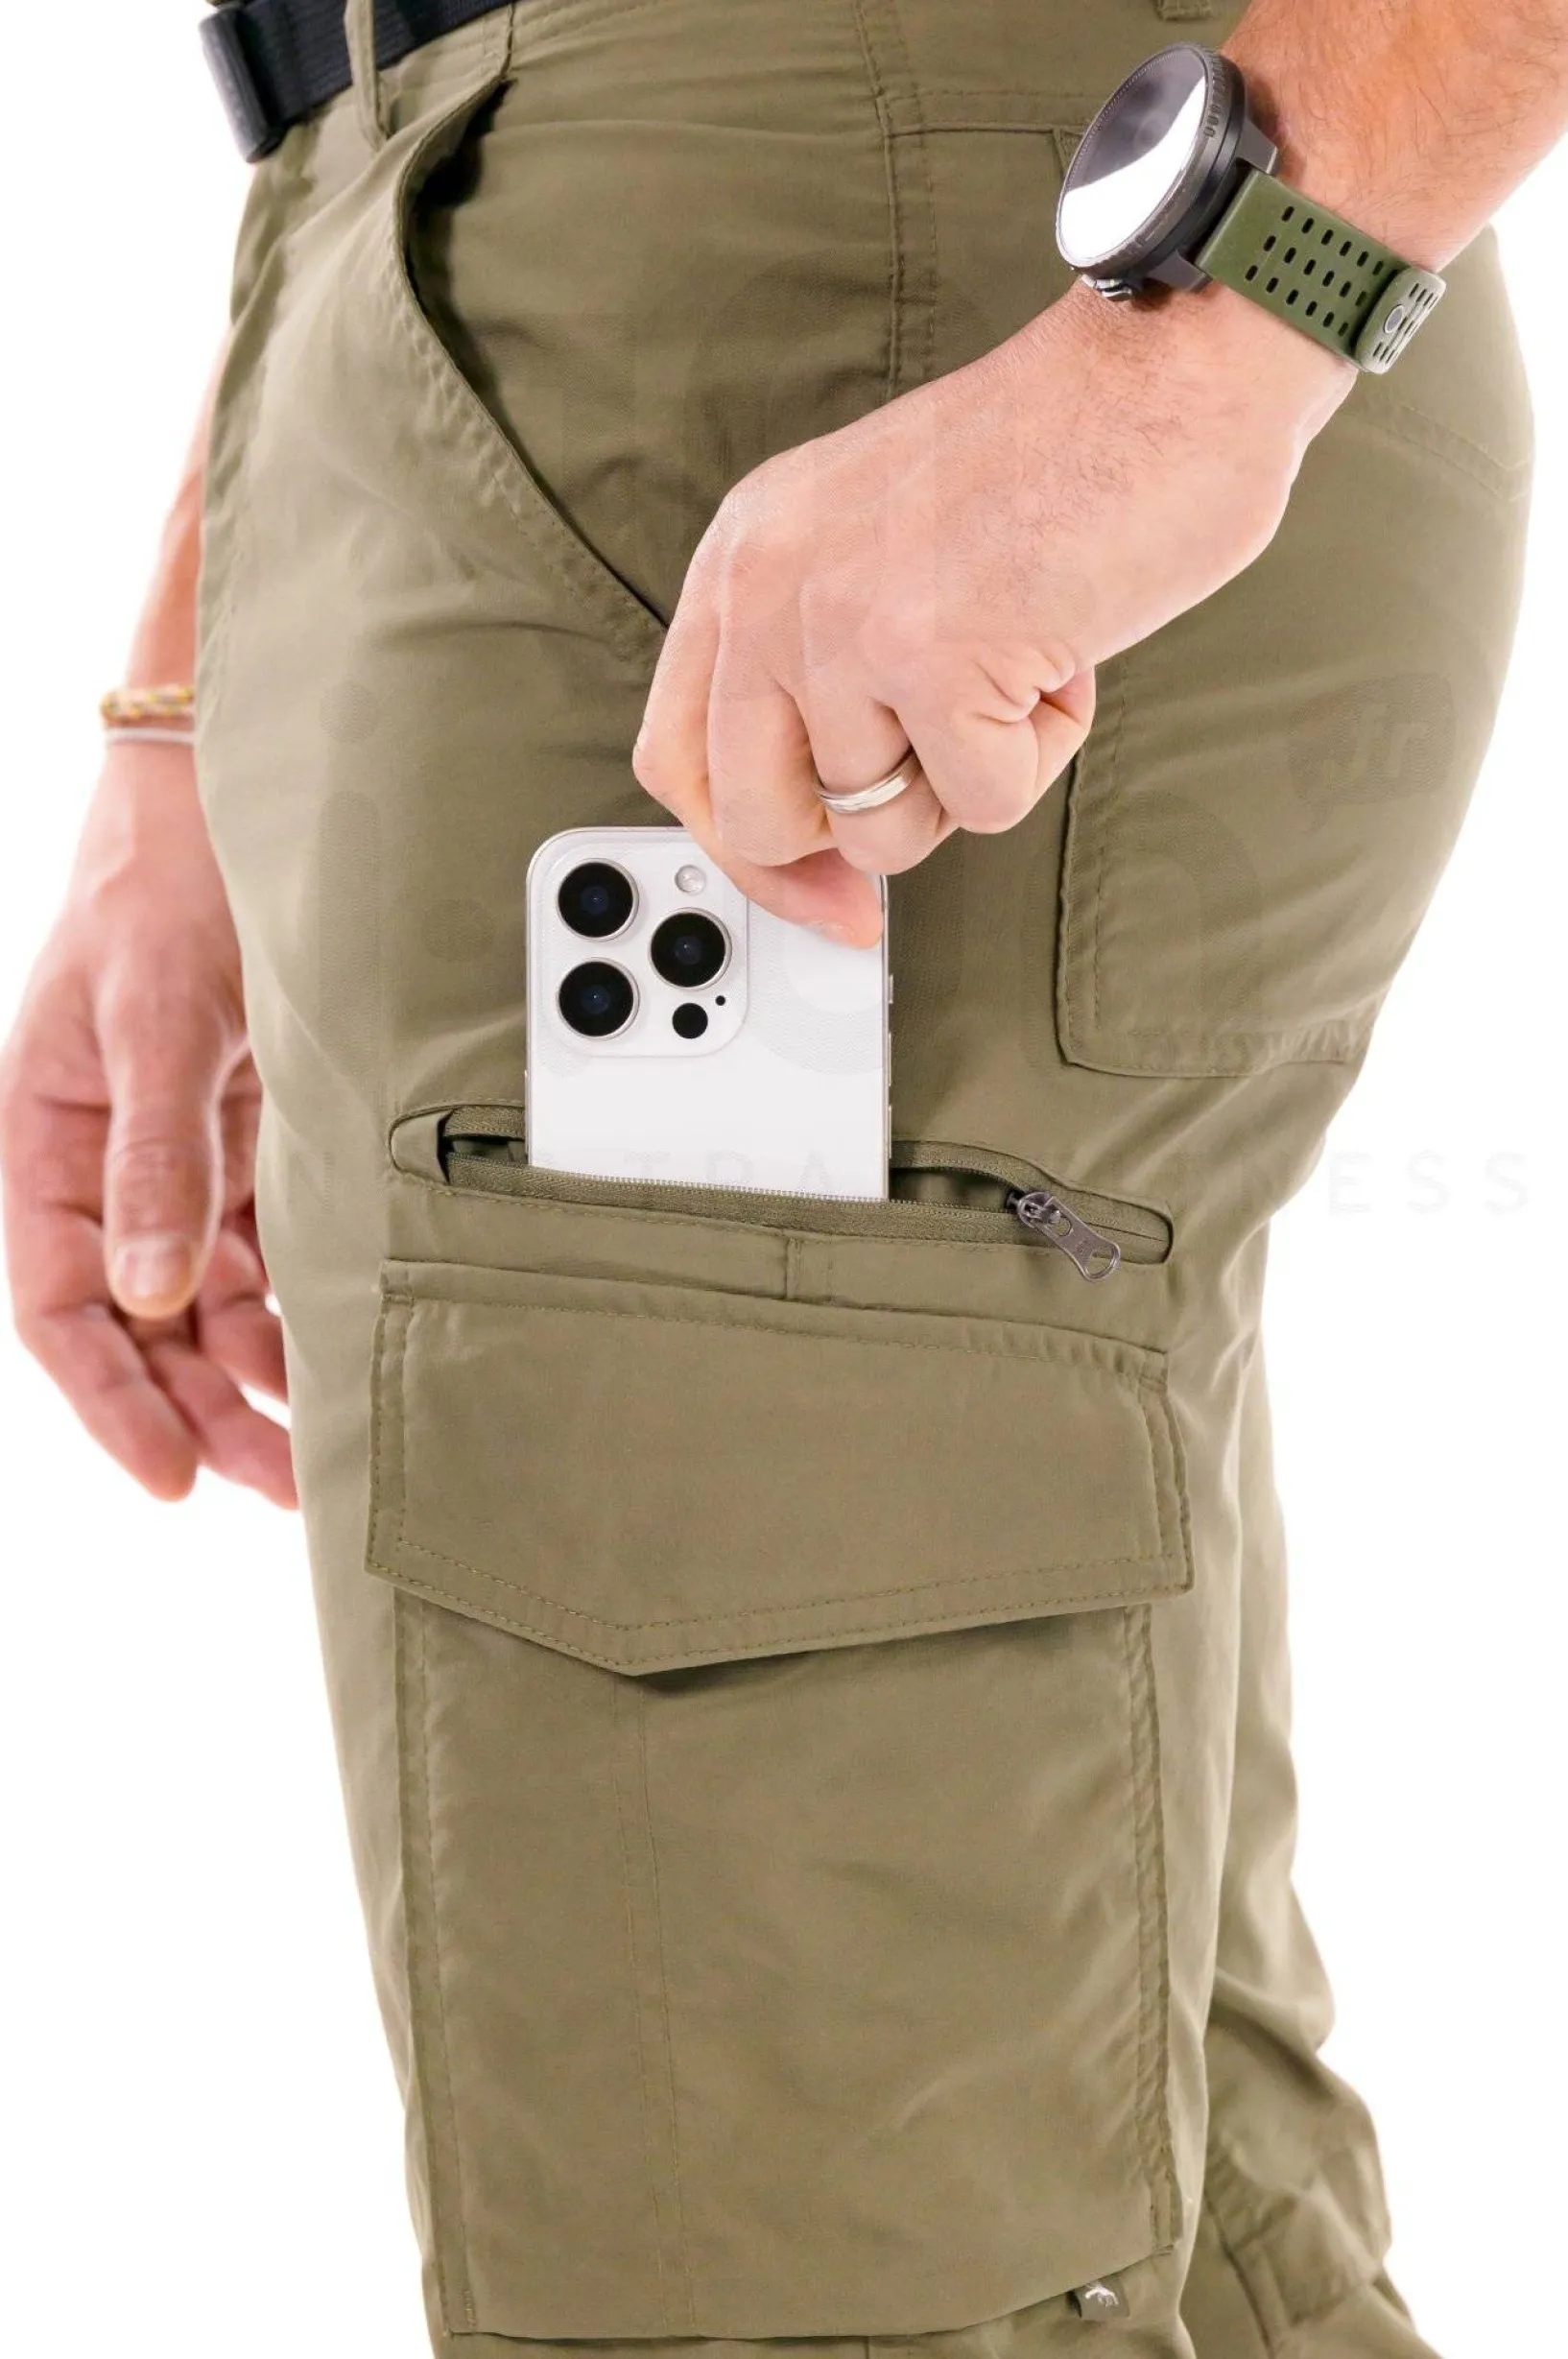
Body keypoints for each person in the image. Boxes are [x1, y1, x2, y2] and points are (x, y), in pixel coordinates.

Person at [0, 0, 1552, 2351]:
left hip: (852, 287)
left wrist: (1230, 306)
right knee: (1077, 2180)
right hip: (488, 260)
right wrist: (193, 693)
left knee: (794, 2241)